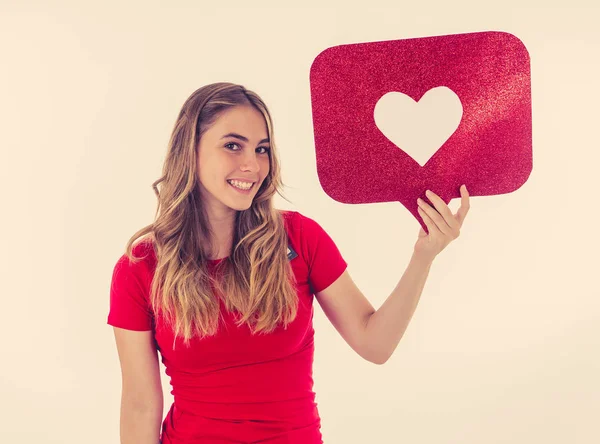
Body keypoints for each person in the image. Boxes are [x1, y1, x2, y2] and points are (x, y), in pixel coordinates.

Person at [107, 82, 470, 444]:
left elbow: (375, 344)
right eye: (233, 146)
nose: (252, 165)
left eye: (262, 149)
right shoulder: (141, 267)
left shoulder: (300, 237)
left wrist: (423, 257)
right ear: (190, 151)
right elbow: (140, 405)